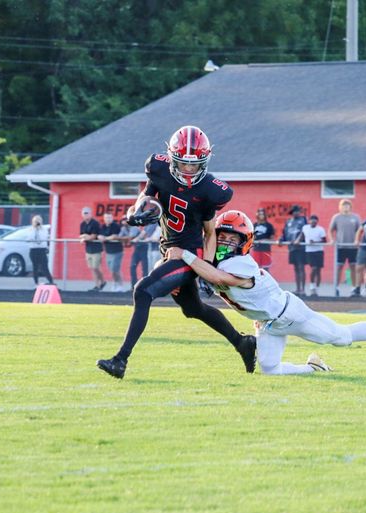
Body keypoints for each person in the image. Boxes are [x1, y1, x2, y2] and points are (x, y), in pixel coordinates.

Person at [166, 210, 366, 375]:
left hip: (290, 314)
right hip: (268, 322)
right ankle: (314, 368)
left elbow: (217, 277)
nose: (225, 241)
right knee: (270, 369)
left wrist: (185, 255)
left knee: (342, 337)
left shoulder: (239, 263)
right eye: (222, 236)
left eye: (233, 239)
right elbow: (207, 256)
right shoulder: (210, 260)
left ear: (244, 242)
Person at [96, 125, 256, 379]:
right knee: (193, 309)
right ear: (171, 158)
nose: (188, 170)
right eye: (183, 164)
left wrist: (205, 269)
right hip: (168, 251)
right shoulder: (158, 169)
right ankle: (242, 343)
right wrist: (133, 214)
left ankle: (120, 360)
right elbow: (143, 199)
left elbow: (210, 233)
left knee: (143, 291)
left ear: (205, 161)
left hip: (188, 255)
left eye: (195, 165)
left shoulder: (211, 190)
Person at [328, 199, 361, 297]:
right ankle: (336, 287)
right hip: (340, 247)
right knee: (339, 267)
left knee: (353, 267)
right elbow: (330, 230)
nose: (345, 207)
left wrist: (357, 240)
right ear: (340, 207)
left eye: (347, 205)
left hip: (352, 247)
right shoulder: (337, 217)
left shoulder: (355, 217)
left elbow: (360, 230)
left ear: (350, 207)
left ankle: (353, 288)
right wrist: (332, 240)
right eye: (343, 206)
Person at [280, 205, 307, 296]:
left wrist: (298, 240)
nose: (296, 213)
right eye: (294, 211)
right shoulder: (288, 221)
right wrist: (281, 239)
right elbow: (284, 233)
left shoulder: (303, 220)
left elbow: (305, 231)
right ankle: (298, 289)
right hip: (291, 248)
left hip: (301, 247)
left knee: (301, 267)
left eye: (297, 211)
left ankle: (303, 289)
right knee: (296, 268)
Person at [296, 214, 326, 297]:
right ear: (309, 221)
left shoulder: (320, 229)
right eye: (311, 220)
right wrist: (297, 241)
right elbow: (301, 236)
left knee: (318, 270)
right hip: (309, 251)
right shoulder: (305, 228)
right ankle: (312, 286)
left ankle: (317, 288)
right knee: (313, 268)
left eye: (315, 220)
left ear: (317, 221)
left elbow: (324, 240)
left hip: (319, 251)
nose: (313, 221)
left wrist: (315, 242)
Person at [79, 207, 105, 291]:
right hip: (88, 249)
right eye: (84, 213)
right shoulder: (82, 224)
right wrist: (85, 237)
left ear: (90, 214)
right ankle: (97, 285)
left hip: (96, 249)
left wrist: (85, 237)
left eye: (87, 213)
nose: (86, 215)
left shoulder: (95, 223)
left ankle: (102, 281)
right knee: (92, 268)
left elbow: (93, 236)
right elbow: (81, 235)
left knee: (95, 267)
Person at [98, 212, 126, 291]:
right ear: (104, 219)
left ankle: (120, 285)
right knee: (112, 270)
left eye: (109, 217)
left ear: (112, 218)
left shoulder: (115, 226)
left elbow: (115, 236)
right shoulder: (103, 226)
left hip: (117, 251)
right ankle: (115, 283)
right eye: (106, 218)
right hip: (108, 251)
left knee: (115, 269)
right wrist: (100, 237)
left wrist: (105, 238)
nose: (108, 219)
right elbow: (99, 235)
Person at [28, 214, 54, 285]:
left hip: (42, 250)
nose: (37, 222)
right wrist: (35, 229)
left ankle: (51, 281)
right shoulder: (31, 230)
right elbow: (30, 238)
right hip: (34, 250)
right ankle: (36, 283)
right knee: (35, 267)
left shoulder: (44, 230)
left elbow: (44, 238)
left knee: (44, 267)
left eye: (38, 221)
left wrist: (39, 229)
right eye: (36, 221)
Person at [125, 218, 149, 288]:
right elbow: (130, 238)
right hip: (137, 250)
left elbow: (144, 234)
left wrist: (135, 239)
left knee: (145, 268)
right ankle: (133, 285)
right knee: (132, 266)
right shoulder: (132, 228)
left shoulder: (147, 226)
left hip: (145, 249)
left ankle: (144, 285)